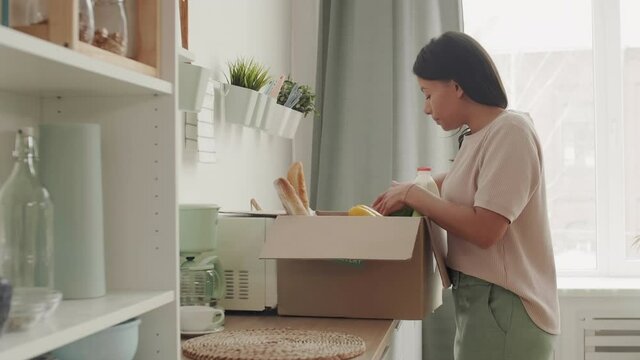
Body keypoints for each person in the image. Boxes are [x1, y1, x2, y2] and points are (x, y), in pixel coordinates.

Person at [372, 31, 560, 360]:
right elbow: (461, 182)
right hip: (483, 303)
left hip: (504, 305)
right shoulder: (480, 136)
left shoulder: (510, 132)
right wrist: (409, 192)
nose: (426, 109)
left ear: (457, 86)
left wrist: (416, 195)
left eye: (428, 94)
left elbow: (486, 229)